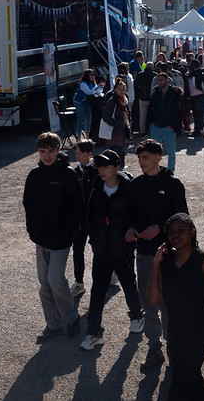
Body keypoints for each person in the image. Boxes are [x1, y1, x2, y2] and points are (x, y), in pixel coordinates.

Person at [145, 213, 204, 400]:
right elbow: (152, 299)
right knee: (192, 380)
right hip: (175, 330)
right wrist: (156, 262)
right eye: (172, 232)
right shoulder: (165, 263)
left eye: (181, 230)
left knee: (180, 383)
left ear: (192, 232)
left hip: (199, 329)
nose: (176, 235)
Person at [125, 139, 188, 369]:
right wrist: (131, 228)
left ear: (158, 158)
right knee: (148, 301)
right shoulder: (135, 185)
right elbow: (128, 214)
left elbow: (183, 220)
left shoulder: (173, 185)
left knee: (168, 303)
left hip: (168, 254)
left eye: (145, 158)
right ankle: (154, 347)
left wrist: (160, 229)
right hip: (143, 254)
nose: (141, 162)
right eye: (139, 158)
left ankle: (172, 347)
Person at [80, 150, 144, 350]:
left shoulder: (129, 189)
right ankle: (93, 332)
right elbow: (89, 216)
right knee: (97, 291)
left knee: (128, 284)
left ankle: (136, 316)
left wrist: (132, 232)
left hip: (123, 250)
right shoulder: (96, 188)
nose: (101, 171)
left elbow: (136, 215)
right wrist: (93, 241)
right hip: (101, 250)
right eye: (99, 167)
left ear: (117, 167)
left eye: (106, 167)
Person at [23, 133, 83, 340]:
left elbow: (76, 207)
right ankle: (53, 323)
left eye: (50, 151)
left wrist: (67, 231)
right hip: (41, 239)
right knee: (44, 283)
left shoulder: (68, 175)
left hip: (60, 239)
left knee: (56, 279)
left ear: (59, 150)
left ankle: (71, 317)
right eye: (42, 152)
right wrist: (32, 230)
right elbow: (28, 204)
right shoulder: (34, 175)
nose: (46, 156)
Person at [70, 139, 98, 297]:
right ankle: (79, 282)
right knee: (77, 251)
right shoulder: (74, 172)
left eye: (80, 153)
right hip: (79, 221)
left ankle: (105, 276)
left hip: (94, 220)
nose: (77, 156)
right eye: (76, 153)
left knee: (98, 250)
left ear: (90, 154)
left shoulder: (97, 171)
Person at [146, 73, 183, 172]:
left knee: (171, 151)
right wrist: (150, 123)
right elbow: (151, 108)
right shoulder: (156, 92)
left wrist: (173, 126)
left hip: (168, 127)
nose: (160, 82)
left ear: (167, 80)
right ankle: (153, 170)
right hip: (156, 126)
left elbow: (178, 111)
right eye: (159, 80)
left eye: (162, 80)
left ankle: (170, 171)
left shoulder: (174, 92)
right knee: (153, 152)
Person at [102, 79, 130, 167]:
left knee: (119, 152)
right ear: (115, 90)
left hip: (121, 132)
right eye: (119, 89)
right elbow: (105, 116)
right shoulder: (112, 101)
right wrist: (116, 124)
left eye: (123, 89)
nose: (121, 91)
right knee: (113, 154)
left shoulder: (124, 101)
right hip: (113, 132)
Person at [72, 70, 105, 139]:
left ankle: (87, 137)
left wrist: (100, 87)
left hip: (88, 103)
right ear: (87, 75)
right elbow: (89, 92)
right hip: (80, 102)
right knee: (80, 120)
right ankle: (78, 137)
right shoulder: (83, 84)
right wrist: (97, 87)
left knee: (88, 120)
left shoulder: (93, 83)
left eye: (94, 75)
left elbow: (96, 92)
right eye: (91, 75)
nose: (93, 76)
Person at [187, 59, 204, 137]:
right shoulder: (202, 72)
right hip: (201, 94)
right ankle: (202, 127)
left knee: (196, 114)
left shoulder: (194, 74)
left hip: (196, 95)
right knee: (201, 112)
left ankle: (197, 130)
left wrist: (200, 89)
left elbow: (195, 84)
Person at [134, 62, 156, 135]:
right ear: (152, 67)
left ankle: (142, 131)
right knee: (153, 115)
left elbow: (136, 86)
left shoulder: (140, 75)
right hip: (152, 98)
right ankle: (152, 131)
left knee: (142, 115)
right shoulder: (155, 75)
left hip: (142, 97)